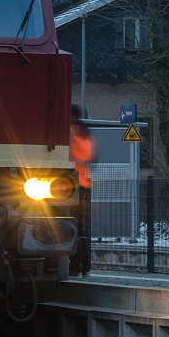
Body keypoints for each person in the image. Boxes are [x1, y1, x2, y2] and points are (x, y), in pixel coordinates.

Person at [69, 104, 93, 276]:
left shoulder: (70, 131)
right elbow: (91, 158)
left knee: (70, 225)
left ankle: (74, 266)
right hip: (85, 183)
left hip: (70, 184)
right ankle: (85, 267)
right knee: (81, 228)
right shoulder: (87, 133)